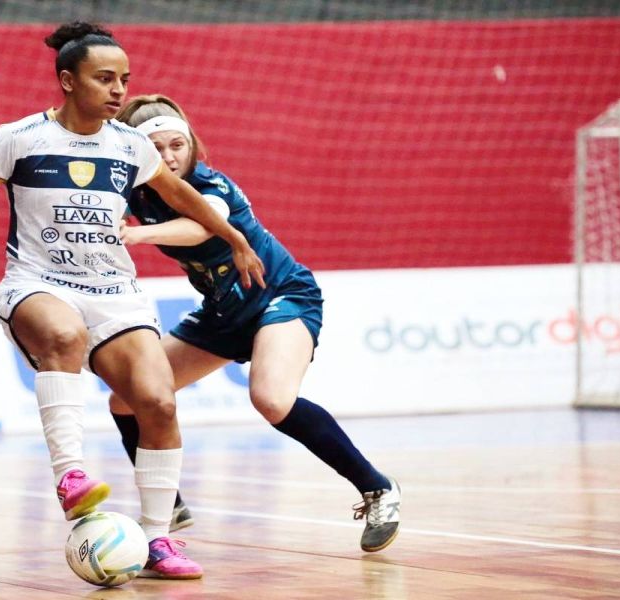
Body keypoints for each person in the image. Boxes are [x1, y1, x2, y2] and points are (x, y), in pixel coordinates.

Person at [0, 24, 265, 580]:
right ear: (68, 81)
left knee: (159, 404)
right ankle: (71, 477)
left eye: (124, 79)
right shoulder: (18, 138)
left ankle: (159, 539)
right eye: (104, 78)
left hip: (116, 293)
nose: (119, 90)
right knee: (65, 337)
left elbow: (185, 197)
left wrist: (237, 240)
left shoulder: (130, 145)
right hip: (38, 282)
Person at [108, 95, 401, 553]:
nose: (168, 157)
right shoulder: (140, 192)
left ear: (191, 145)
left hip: (279, 295)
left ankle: (377, 488)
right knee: (127, 399)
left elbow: (203, 227)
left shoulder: (211, 185)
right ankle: (169, 504)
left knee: (270, 398)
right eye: (157, 149)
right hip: (224, 312)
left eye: (177, 145)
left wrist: (138, 233)